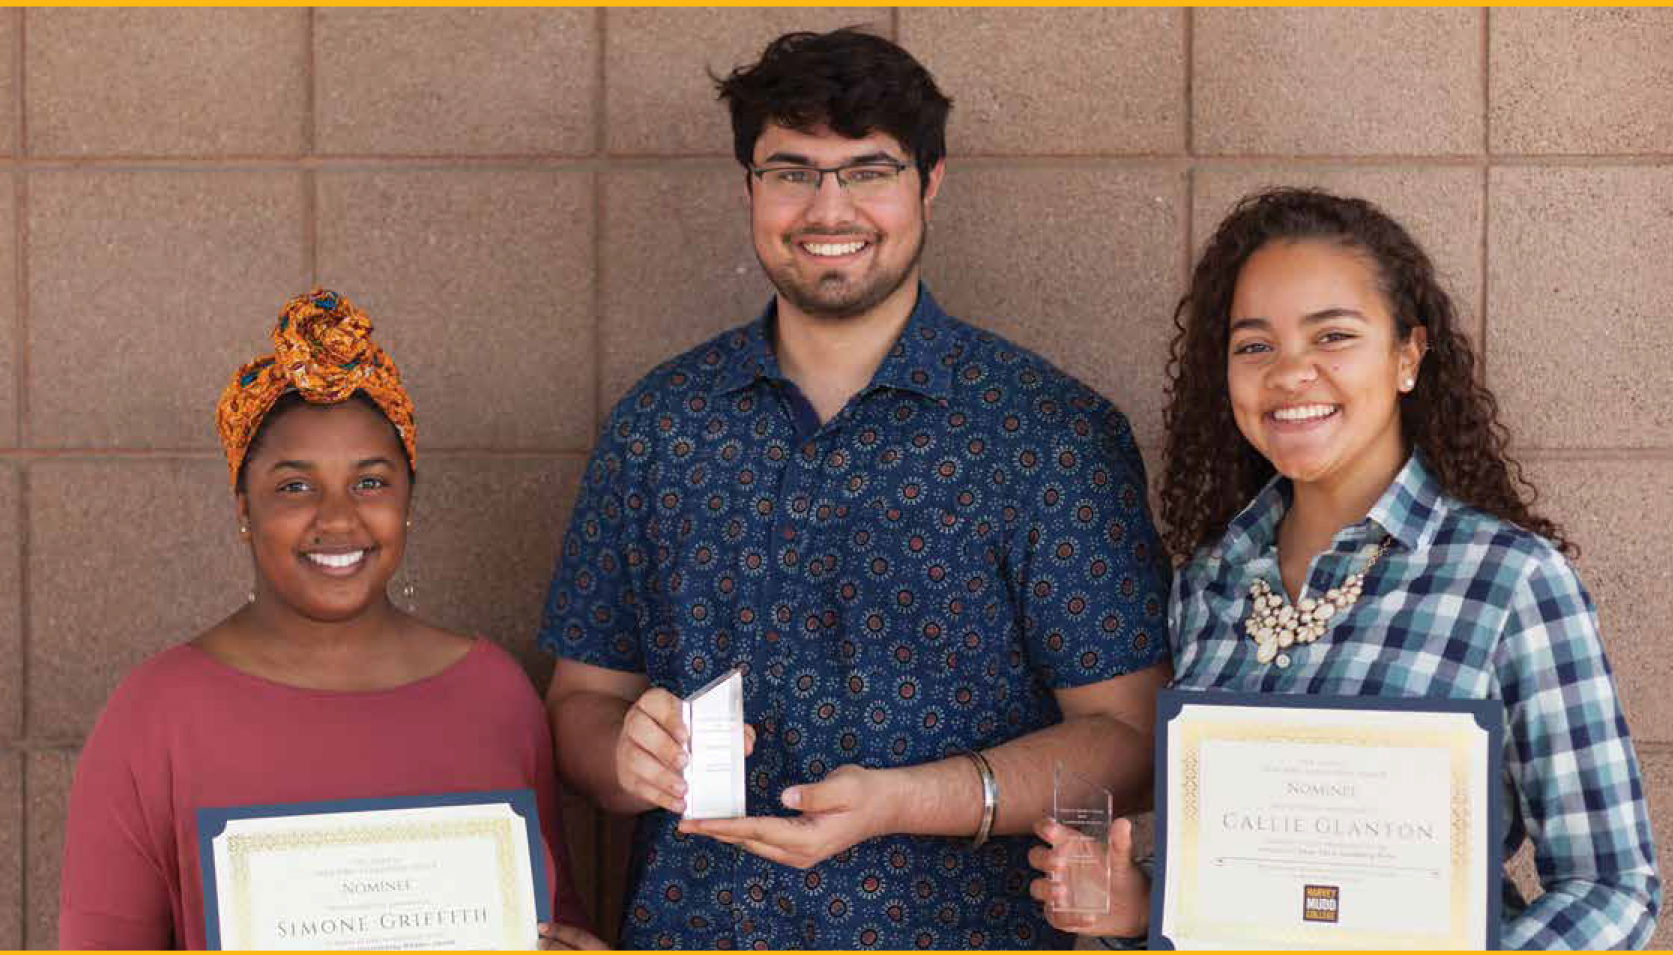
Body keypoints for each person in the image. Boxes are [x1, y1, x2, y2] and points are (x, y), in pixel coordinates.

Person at [537, 28, 1171, 949]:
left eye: (869, 170)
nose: (828, 207)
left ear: (931, 180)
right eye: (792, 171)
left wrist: (911, 798)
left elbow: (1128, 735)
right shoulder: (660, 424)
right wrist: (623, 755)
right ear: (749, 186)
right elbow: (577, 703)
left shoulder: (1047, 433)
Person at [1029, 188, 1661, 948]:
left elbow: (1612, 887)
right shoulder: (1209, 585)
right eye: (1255, 345)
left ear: (1408, 356)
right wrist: (1132, 907)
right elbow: (1231, 890)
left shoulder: (1508, 581)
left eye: (1333, 336)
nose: (1291, 372)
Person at [58, 289, 601, 950]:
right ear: (243, 508)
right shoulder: (155, 715)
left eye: (371, 481)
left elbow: (551, 916)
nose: (338, 518)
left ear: (407, 501)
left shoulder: (494, 693)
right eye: (294, 486)